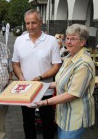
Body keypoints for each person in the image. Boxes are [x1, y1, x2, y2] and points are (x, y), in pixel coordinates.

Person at [36, 24, 95, 139]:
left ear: (82, 42)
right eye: (67, 38)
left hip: (75, 117)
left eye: (73, 39)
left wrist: (44, 102)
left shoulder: (83, 63)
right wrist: (40, 85)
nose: (68, 42)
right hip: (64, 114)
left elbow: (72, 94)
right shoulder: (69, 57)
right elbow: (60, 83)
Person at [12, 9, 62, 139]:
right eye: (27, 23)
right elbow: (15, 64)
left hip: (46, 90)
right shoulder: (19, 41)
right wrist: (21, 78)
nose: (30, 26)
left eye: (33, 23)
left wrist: (40, 77)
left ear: (41, 22)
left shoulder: (51, 41)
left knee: (48, 124)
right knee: (28, 123)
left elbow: (57, 65)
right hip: (26, 90)